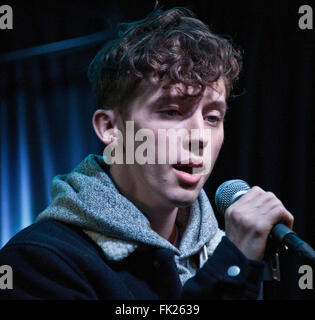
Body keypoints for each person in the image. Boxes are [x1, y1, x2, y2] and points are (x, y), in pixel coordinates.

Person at [0, 7, 293, 300]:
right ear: (110, 128)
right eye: (171, 111)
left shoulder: (221, 251)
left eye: (212, 117)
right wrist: (233, 267)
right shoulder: (39, 261)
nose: (199, 137)